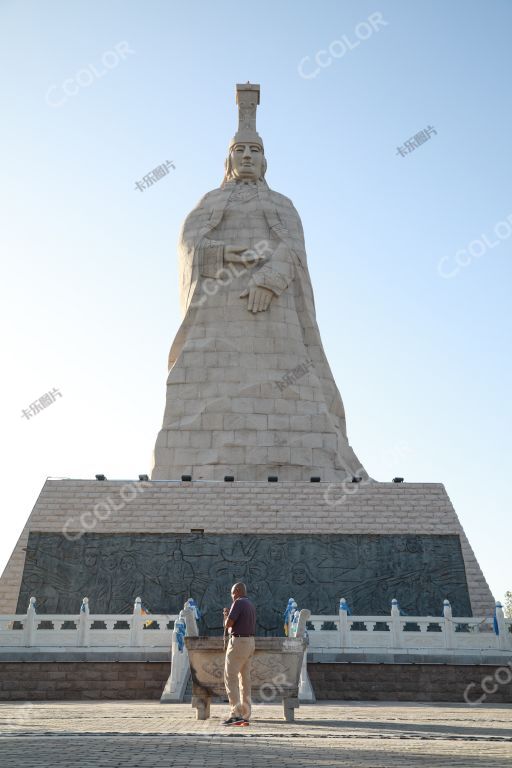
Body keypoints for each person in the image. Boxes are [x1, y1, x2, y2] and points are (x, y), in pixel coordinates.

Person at [223, 582, 256, 726]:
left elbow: (228, 625)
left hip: (238, 643)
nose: (232, 597)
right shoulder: (250, 604)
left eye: (232, 593)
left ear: (237, 591)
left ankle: (236, 714)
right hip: (249, 642)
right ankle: (245, 715)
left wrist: (225, 616)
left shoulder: (238, 603)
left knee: (230, 678)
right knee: (245, 680)